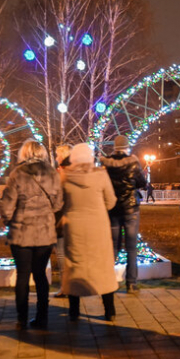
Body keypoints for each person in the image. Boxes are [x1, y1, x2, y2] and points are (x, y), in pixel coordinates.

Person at [0, 140, 63, 330]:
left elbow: (8, 205)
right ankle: (42, 317)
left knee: (22, 275)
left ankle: (21, 319)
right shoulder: (52, 174)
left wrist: (7, 220)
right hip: (44, 232)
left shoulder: (17, 174)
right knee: (40, 275)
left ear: (24, 153)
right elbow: (59, 204)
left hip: (21, 233)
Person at [59, 144, 119, 321]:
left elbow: (60, 202)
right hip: (98, 227)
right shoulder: (100, 175)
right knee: (103, 266)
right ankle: (109, 310)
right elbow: (111, 201)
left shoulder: (65, 176)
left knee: (74, 266)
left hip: (74, 227)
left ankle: (74, 311)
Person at [102, 136, 147, 293]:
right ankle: (131, 283)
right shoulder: (133, 162)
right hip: (130, 209)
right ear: (127, 147)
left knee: (113, 247)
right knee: (131, 247)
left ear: (115, 147)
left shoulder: (106, 163)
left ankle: (108, 282)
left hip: (113, 209)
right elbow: (142, 182)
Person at [53, 144, 72, 298]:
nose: (55, 158)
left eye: (57, 155)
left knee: (61, 254)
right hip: (70, 218)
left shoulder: (63, 174)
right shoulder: (73, 172)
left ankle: (66, 288)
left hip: (61, 218)